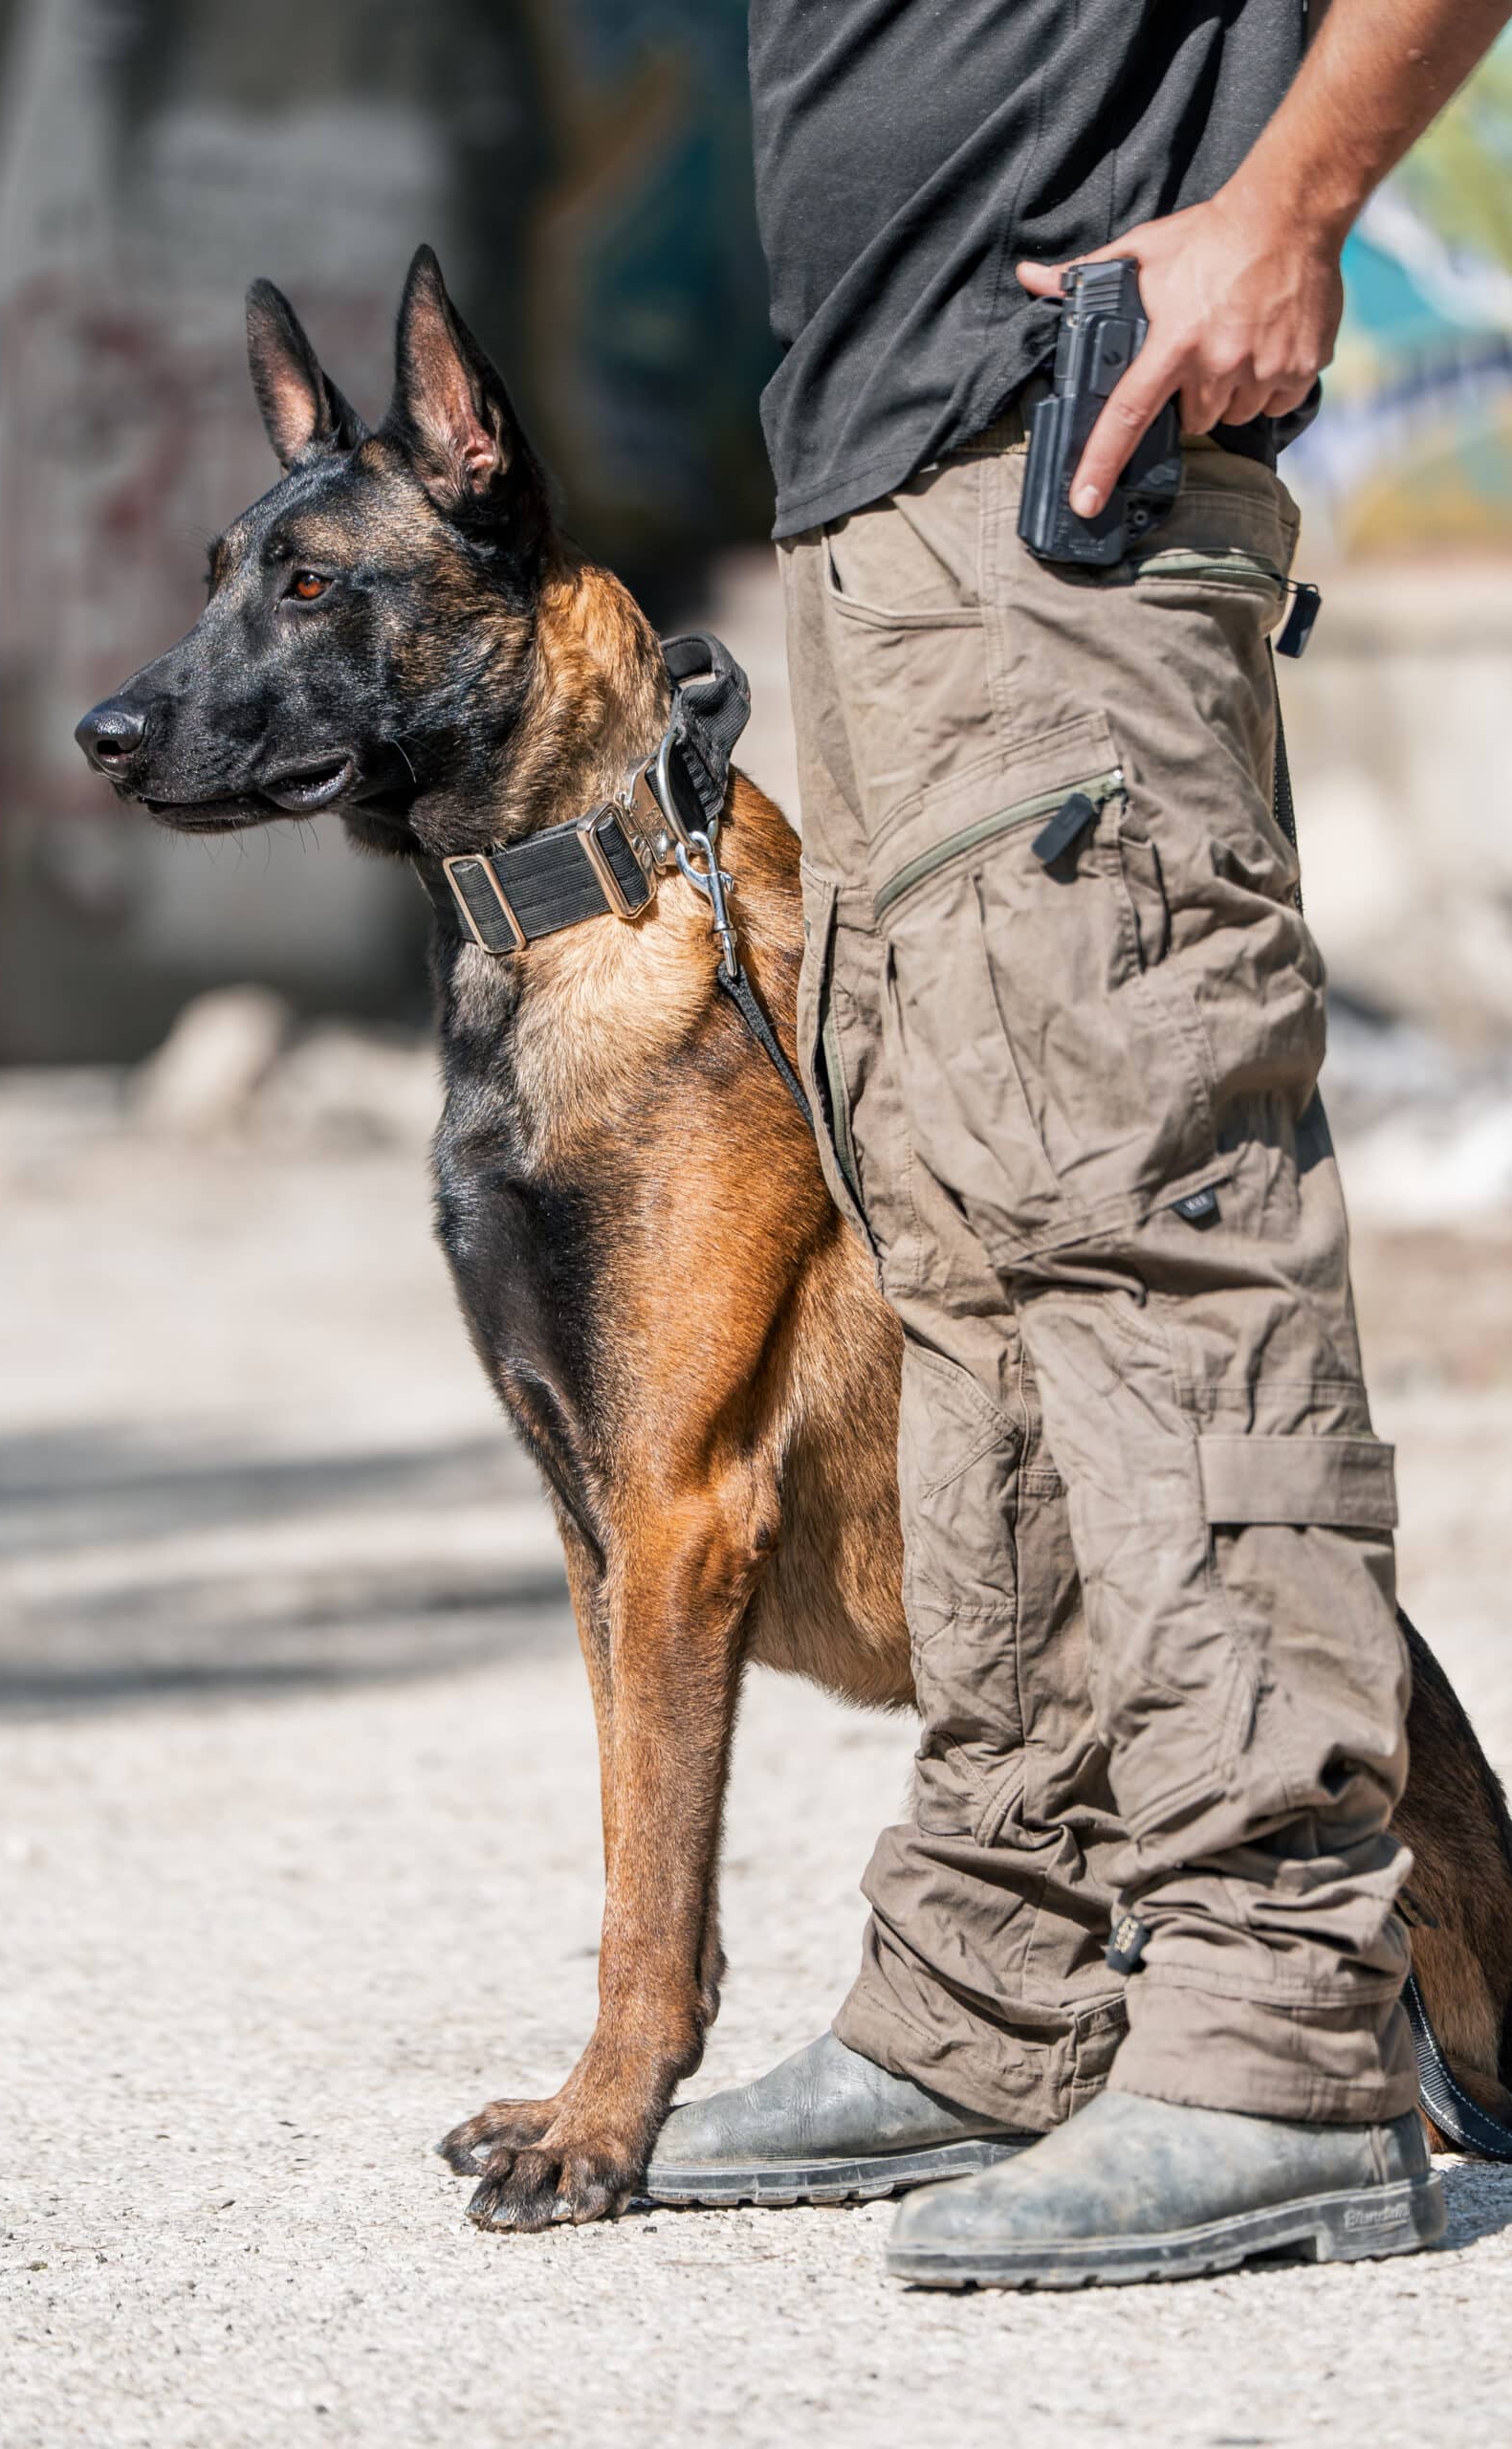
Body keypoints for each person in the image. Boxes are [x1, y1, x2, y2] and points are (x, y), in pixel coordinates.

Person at [646, 0, 1512, 2287]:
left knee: (1152, 1238)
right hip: (888, 508)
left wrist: (1288, 208)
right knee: (964, 1257)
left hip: (1065, 473)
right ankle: (1001, 1977)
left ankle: (1273, 2035)